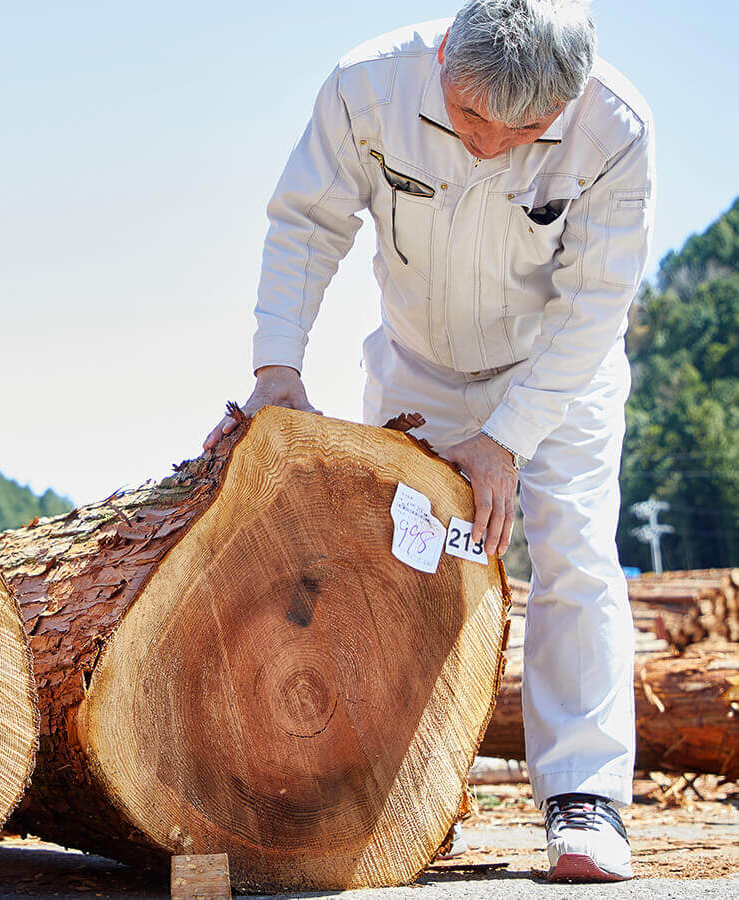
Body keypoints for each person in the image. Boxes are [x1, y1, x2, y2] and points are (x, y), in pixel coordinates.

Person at [204, 0, 654, 882]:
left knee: (576, 558)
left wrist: (509, 438)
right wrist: (276, 368)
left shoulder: (617, 129)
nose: (489, 146)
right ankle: (375, 786)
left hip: (555, 372)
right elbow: (307, 224)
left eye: (524, 131)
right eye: (471, 117)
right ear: (445, 54)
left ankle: (585, 798)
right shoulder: (365, 86)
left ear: (568, 102)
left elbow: (595, 306)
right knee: (388, 570)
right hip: (417, 370)